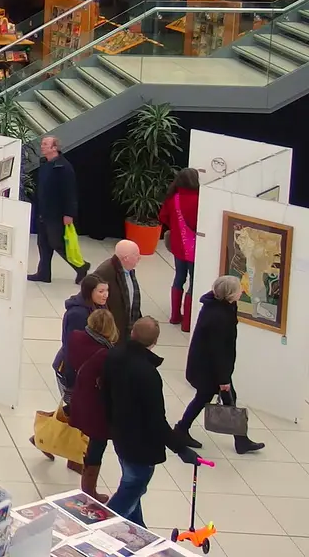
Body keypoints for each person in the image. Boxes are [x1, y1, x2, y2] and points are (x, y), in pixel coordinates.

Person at [102, 317, 200, 525]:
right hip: (141, 446)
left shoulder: (114, 355)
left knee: (132, 487)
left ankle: (138, 529)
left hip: (120, 434)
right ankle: (99, 529)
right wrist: (180, 448)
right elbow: (156, 419)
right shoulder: (148, 374)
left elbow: (105, 393)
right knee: (132, 489)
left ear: (132, 333)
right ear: (154, 342)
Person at [171, 275, 266, 454]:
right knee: (212, 397)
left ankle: (239, 440)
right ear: (230, 294)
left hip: (207, 366)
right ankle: (182, 429)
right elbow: (218, 351)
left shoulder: (219, 306)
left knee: (211, 398)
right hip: (210, 369)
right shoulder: (219, 317)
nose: (242, 292)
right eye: (238, 290)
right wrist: (223, 379)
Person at [65, 308, 118, 501]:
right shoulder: (106, 353)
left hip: (79, 394)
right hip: (97, 404)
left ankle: (45, 440)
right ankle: (89, 489)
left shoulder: (77, 337)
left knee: (73, 423)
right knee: (97, 442)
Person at [29, 135, 88, 283]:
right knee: (43, 243)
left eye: (45, 144)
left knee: (57, 243)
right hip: (44, 211)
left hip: (56, 214)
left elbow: (70, 192)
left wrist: (69, 213)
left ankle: (81, 266)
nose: (42, 146)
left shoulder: (63, 167)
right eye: (42, 144)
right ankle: (43, 273)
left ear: (54, 148)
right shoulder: (45, 163)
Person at [53, 274, 108, 403]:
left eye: (107, 290)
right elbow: (73, 347)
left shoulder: (99, 306)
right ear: (89, 292)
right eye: (101, 291)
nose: (105, 295)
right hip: (71, 370)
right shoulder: (78, 314)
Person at [159, 167, 200, 332]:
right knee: (193, 282)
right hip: (196, 248)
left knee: (179, 277)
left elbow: (163, 218)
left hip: (178, 245)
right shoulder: (199, 199)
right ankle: (187, 323)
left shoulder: (172, 198)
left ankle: (175, 316)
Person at [93, 240, 144, 342]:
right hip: (113, 333)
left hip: (125, 330)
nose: (139, 257)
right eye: (136, 255)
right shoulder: (105, 273)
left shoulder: (128, 270)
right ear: (126, 258)